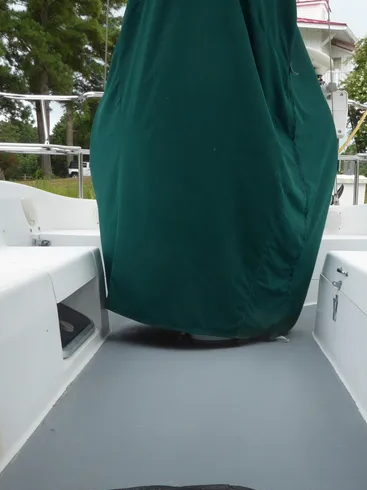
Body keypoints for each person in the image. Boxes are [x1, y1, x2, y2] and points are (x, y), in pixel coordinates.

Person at [90, 0, 338, 339]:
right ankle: (225, 306)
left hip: (147, 110)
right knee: (310, 139)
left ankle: (168, 302)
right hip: (240, 311)